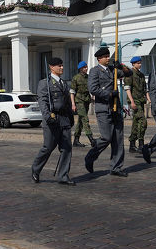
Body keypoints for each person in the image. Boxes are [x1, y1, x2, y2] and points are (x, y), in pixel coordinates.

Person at [85, 47, 132, 177]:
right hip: (103, 108)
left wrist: (121, 66)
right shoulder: (95, 71)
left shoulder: (113, 70)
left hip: (116, 109)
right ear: (99, 59)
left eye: (108, 56)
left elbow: (129, 74)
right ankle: (91, 156)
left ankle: (116, 167)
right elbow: (93, 88)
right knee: (106, 137)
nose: (108, 58)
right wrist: (110, 93)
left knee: (118, 139)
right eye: (105, 57)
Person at [31, 57, 75, 186]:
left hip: (64, 119)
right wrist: (47, 117)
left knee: (66, 148)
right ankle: (36, 169)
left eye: (62, 65)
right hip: (52, 118)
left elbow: (67, 103)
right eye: (58, 66)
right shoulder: (44, 83)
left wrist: (71, 118)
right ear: (51, 67)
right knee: (48, 147)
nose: (61, 68)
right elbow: (43, 101)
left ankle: (63, 176)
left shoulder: (64, 83)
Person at [124, 56, 150, 153]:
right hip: (134, 101)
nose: (140, 64)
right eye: (138, 63)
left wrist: (148, 98)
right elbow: (127, 88)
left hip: (141, 101)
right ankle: (141, 144)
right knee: (143, 122)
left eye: (140, 62)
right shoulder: (129, 74)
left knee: (136, 123)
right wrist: (132, 102)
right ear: (133, 64)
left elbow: (145, 89)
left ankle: (131, 144)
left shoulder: (142, 75)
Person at [70, 61, 95, 148]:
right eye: (84, 67)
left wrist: (92, 97)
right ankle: (91, 139)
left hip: (86, 100)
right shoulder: (76, 78)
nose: (86, 68)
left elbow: (91, 88)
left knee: (80, 121)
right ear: (80, 68)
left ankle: (76, 140)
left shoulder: (88, 77)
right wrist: (73, 104)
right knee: (85, 119)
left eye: (86, 67)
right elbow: (72, 92)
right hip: (79, 101)